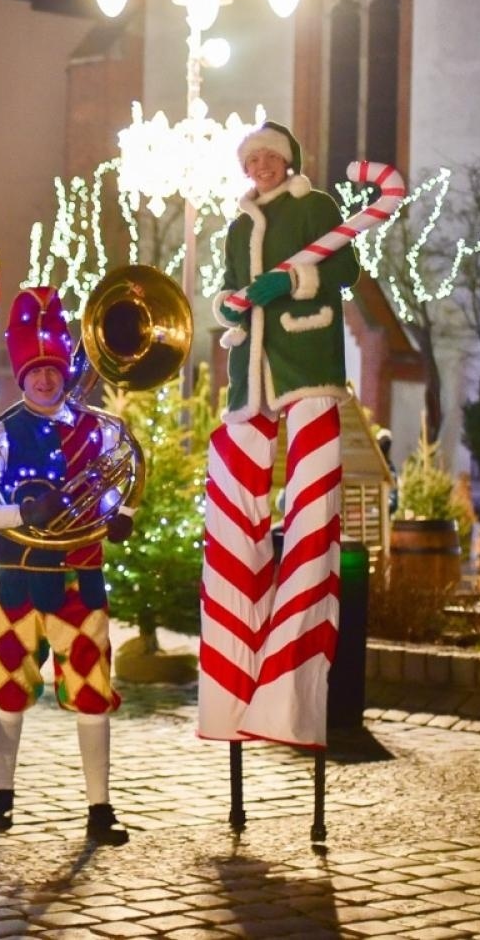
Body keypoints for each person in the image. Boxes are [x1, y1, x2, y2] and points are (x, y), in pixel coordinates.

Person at [0, 287, 134, 846]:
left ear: (64, 371)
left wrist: (120, 515)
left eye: (53, 369)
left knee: (93, 697)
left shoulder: (102, 429)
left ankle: (100, 807)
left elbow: (118, 489)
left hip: (81, 584)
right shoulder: (0, 435)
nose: (46, 379)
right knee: (8, 695)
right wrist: (22, 513)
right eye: (35, 371)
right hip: (19, 588)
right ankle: (1, 796)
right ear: (22, 376)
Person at [201, 120, 355, 749]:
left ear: (287, 161)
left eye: (270, 157)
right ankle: (235, 690)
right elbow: (225, 284)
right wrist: (229, 305)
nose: (261, 167)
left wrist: (291, 281)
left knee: (312, 511)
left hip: (305, 357)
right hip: (252, 372)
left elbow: (344, 267)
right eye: (253, 159)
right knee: (235, 511)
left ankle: (290, 695)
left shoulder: (315, 205)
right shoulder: (239, 225)